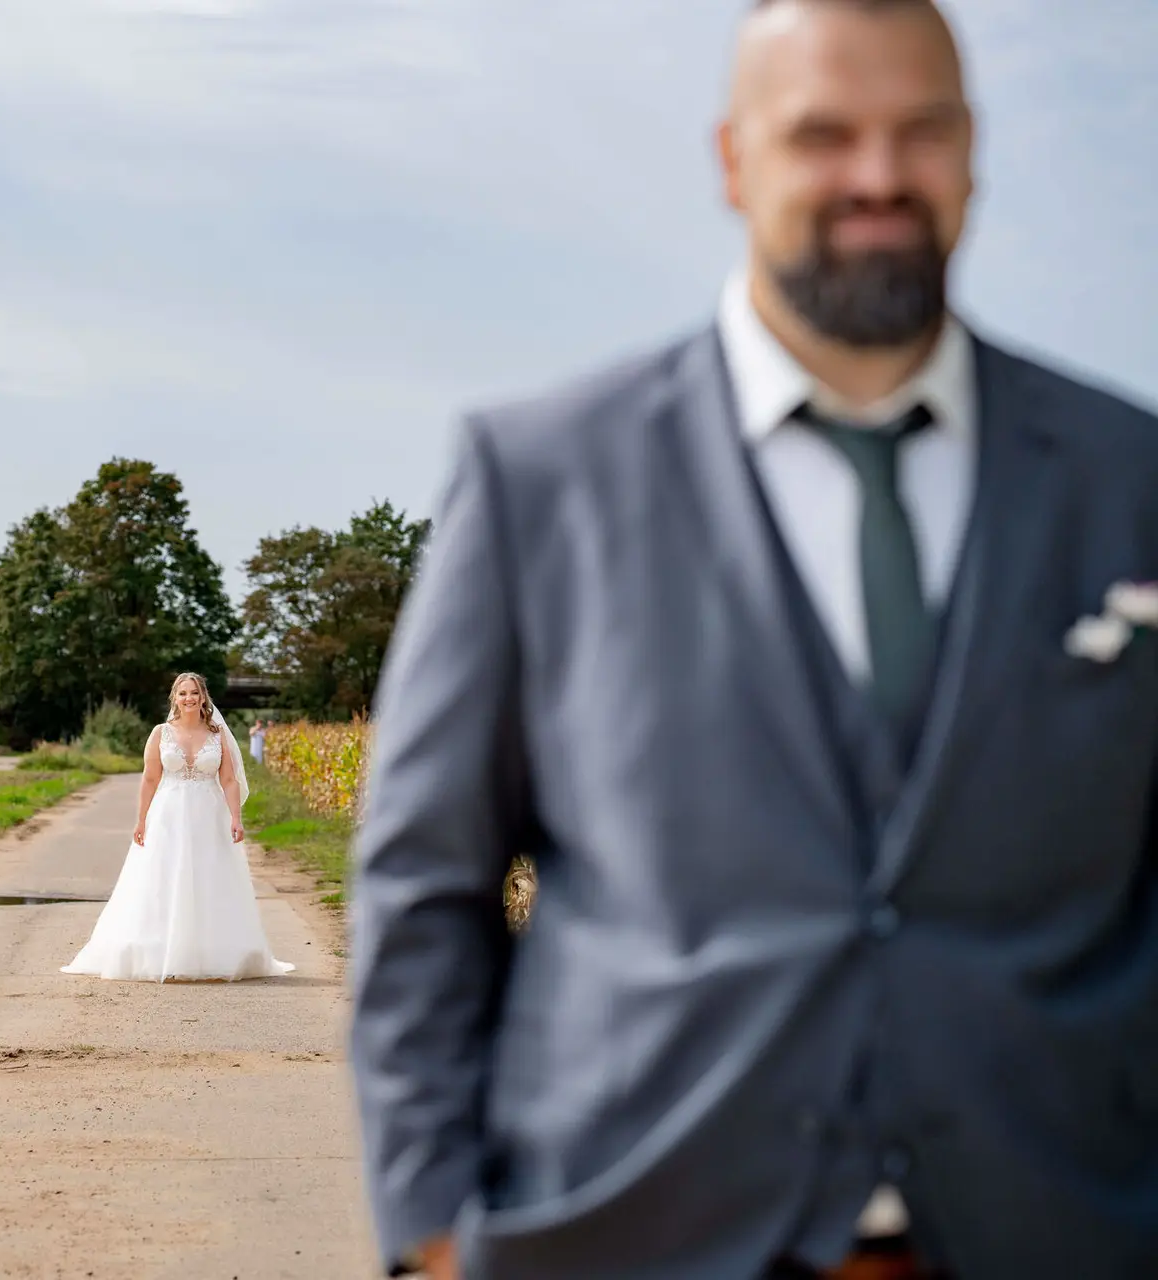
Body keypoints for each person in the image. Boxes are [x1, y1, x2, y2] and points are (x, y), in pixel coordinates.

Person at [347, 2, 1158, 1278]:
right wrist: (435, 1230)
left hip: (1065, 1230)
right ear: (735, 160)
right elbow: (425, 877)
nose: (878, 179)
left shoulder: (1130, 476)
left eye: (921, 133)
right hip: (631, 1235)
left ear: (974, 150)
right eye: (824, 135)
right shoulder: (541, 478)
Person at [61, 674, 295, 982]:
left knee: (208, 877)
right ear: (175, 698)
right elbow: (149, 779)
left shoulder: (217, 735)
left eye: (194, 692)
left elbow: (228, 780)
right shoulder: (160, 733)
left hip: (209, 815)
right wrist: (141, 819)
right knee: (163, 877)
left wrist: (236, 818)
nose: (188, 698)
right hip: (167, 815)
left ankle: (211, 951)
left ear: (202, 697)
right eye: (182, 693)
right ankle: (161, 949)